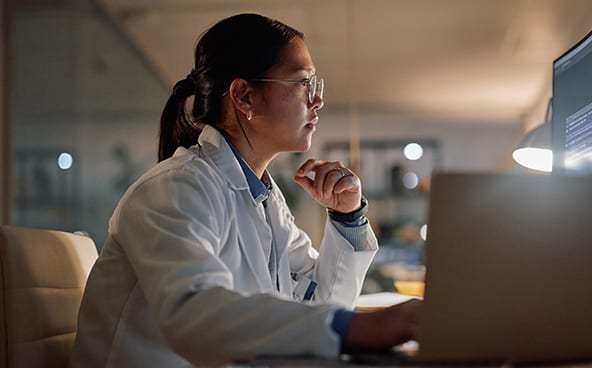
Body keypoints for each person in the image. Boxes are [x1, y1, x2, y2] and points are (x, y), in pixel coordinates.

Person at [70, 13, 421, 367]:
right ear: (244, 96)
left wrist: (348, 217)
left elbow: (320, 303)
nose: (317, 101)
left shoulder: (263, 199)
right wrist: (353, 327)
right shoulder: (175, 188)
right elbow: (193, 314)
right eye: (303, 84)